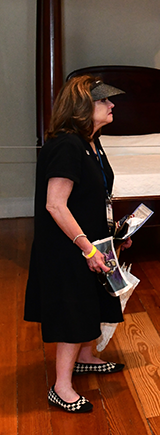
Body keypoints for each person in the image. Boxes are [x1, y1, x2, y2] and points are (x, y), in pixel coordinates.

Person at [24, 75, 131, 413]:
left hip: (91, 240)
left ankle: (85, 357)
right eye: (104, 101)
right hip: (67, 247)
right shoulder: (67, 145)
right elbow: (55, 204)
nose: (112, 105)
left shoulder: (91, 142)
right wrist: (87, 248)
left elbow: (94, 194)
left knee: (92, 301)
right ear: (83, 106)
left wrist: (114, 234)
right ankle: (62, 386)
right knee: (73, 309)